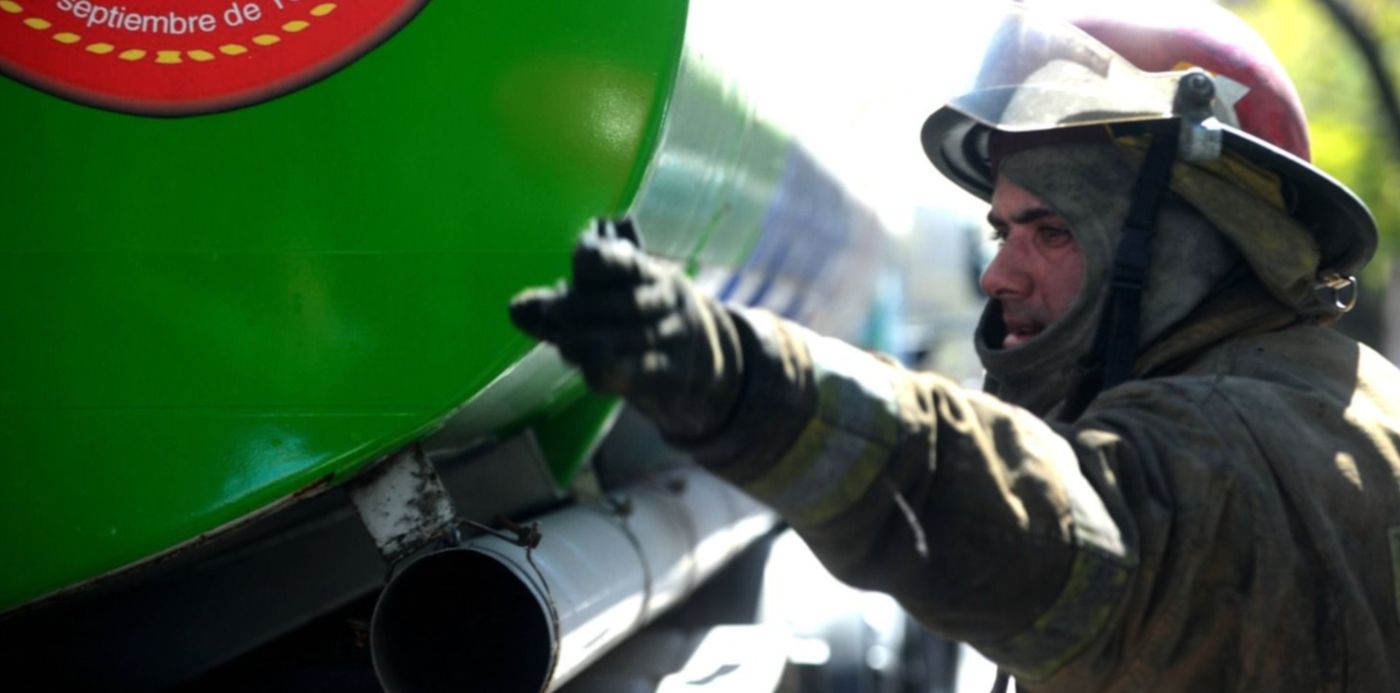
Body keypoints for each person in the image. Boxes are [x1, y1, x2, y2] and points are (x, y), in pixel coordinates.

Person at [510, 4, 1400, 690]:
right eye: (999, 232)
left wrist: (742, 382)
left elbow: (1045, 524)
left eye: (1049, 230)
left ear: (1185, 242)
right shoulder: (1326, 396)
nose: (997, 277)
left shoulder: (1228, 445)